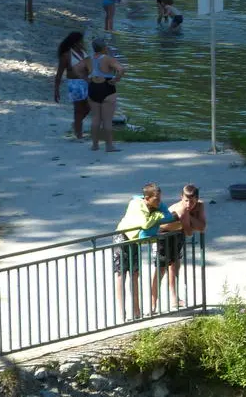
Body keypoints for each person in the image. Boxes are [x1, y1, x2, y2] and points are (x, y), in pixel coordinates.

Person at [114, 183, 173, 319]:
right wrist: (158, 215)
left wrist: (158, 211)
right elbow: (145, 224)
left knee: (135, 274)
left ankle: (136, 310)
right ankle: (122, 312)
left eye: (160, 199)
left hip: (135, 240)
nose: (159, 202)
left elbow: (169, 217)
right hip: (123, 237)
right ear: (147, 198)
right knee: (121, 274)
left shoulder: (157, 204)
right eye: (156, 199)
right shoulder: (136, 204)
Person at [87, 36, 123, 151]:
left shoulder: (89, 59)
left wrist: (87, 79)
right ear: (104, 48)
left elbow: (79, 70)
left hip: (93, 87)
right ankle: (109, 146)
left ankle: (95, 145)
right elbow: (121, 69)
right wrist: (117, 79)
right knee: (107, 120)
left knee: (95, 118)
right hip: (107, 87)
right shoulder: (108, 59)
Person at [53, 32, 91, 140]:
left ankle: (76, 125)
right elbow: (59, 74)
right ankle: (79, 134)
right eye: (81, 41)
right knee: (78, 109)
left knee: (89, 107)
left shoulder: (84, 53)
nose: (83, 42)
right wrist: (56, 89)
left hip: (87, 82)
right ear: (75, 42)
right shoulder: (66, 55)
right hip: (75, 84)